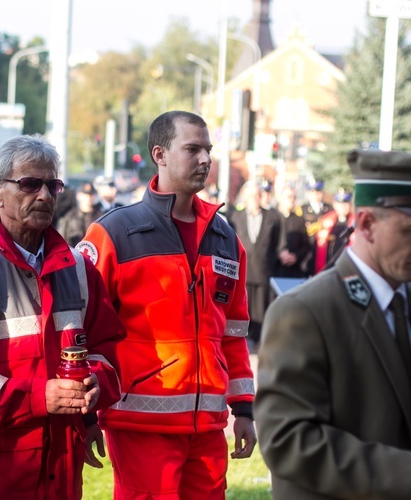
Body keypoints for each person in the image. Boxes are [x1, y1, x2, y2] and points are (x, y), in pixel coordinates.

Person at [0, 134, 124, 499]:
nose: (44, 195)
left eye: (53, 185)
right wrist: (41, 397)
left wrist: (93, 390)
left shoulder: (81, 271)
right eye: (29, 184)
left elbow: (108, 353)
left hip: (61, 471)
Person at [79, 110, 256, 498]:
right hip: (140, 425)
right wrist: (86, 412)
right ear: (159, 154)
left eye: (208, 150)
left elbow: (234, 332)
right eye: (192, 149)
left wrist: (243, 408)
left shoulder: (225, 237)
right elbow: (82, 329)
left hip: (208, 428)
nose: (206, 159)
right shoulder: (112, 233)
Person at [255, 148, 411, 498]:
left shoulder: (405, 297)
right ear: (368, 225)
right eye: (409, 231)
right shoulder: (304, 311)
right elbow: (287, 441)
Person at [229, 181, 282, 346]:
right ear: (245, 198)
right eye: (250, 196)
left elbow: (279, 243)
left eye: (257, 195)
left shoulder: (273, 217)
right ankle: (244, 339)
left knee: (261, 307)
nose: (254, 199)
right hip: (243, 271)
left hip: (264, 269)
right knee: (244, 306)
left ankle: (260, 339)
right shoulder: (235, 217)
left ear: (261, 197)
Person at [313, 189, 355, 273]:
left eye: (345, 204)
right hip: (329, 264)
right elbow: (316, 245)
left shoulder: (355, 222)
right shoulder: (326, 220)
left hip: (347, 265)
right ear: (335, 205)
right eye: (340, 204)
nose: (343, 207)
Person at [273, 185, 311, 278]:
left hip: (294, 271)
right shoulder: (272, 217)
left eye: (294, 197)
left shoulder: (299, 220)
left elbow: (306, 245)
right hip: (275, 269)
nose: (292, 200)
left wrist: (295, 257)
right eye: (289, 197)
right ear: (280, 198)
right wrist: (279, 254)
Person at [58, 181, 103, 246]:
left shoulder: (101, 217)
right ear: (79, 196)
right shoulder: (70, 217)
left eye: (91, 194)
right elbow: (62, 239)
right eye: (85, 194)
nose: (89, 198)